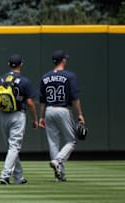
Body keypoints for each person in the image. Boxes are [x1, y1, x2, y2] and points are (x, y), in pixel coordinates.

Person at [0, 54, 38, 185]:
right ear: (21, 65)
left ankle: (19, 177)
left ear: (9, 65)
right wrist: (34, 119)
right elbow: (30, 103)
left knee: (11, 147)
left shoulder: (0, 79)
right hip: (18, 115)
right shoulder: (24, 81)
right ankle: (5, 175)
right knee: (14, 147)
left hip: (3, 116)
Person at [39, 50, 85, 182]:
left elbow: (42, 99)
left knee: (53, 143)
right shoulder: (69, 76)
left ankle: (59, 175)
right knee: (71, 141)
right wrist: (80, 114)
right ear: (63, 60)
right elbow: (75, 98)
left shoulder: (45, 77)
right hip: (63, 109)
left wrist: (41, 117)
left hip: (48, 110)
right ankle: (58, 161)